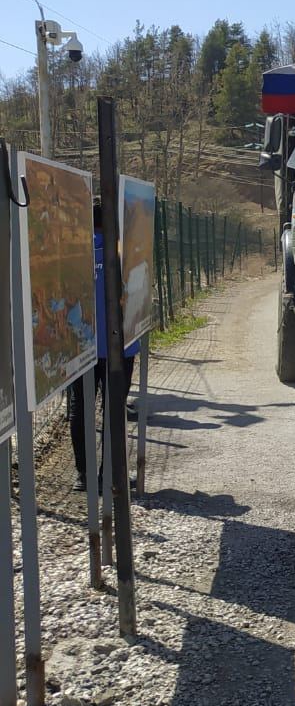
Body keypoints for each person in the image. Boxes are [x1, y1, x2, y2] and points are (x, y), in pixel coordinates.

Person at [69, 201, 140, 492]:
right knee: (114, 411)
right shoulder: (126, 254)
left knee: (80, 410)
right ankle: (110, 475)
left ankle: (83, 476)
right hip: (119, 348)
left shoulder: (74, 253)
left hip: (80, 347)